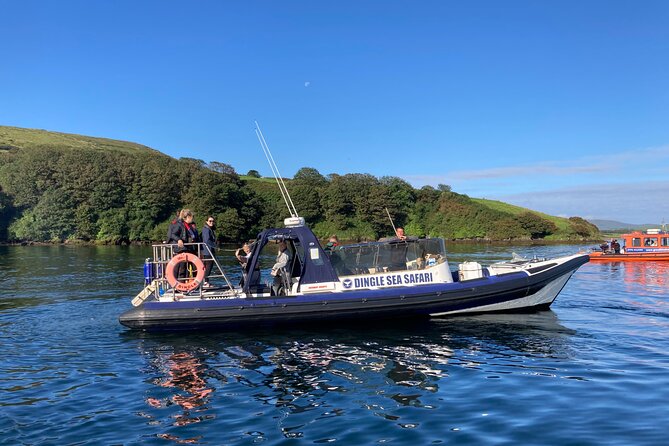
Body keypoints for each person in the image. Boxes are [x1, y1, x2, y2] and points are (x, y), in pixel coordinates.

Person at [201, 216, 217, 288]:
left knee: (209, 266)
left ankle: (206, 281)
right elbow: (207, 240)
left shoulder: (210, 229)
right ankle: (205, 282)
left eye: (213, 221)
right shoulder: (206, 230)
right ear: (206, 221)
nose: (211, 222)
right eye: (210, 221)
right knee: (208, 266)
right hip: (207, 251)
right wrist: (215, 245)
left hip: (209, 250)